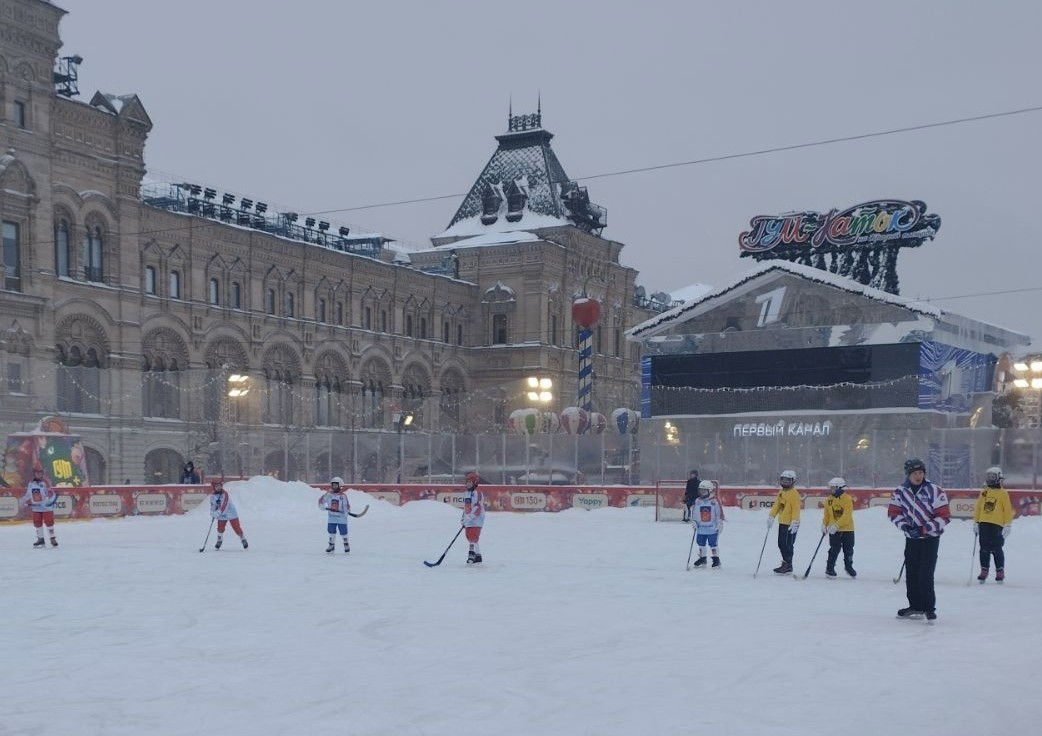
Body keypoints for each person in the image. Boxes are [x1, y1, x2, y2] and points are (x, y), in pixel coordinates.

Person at [889, 458, 950, 621]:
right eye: (915, 473)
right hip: (912, 539)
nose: (918, 476)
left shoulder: (935, 491)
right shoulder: (900, 491)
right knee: (912, 573)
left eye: (921, 473)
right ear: (908, 474)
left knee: (925, 574)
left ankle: (929, 608)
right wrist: (905, 527)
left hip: (930, 539)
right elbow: (894, 513)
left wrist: (924, 529)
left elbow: (944, 517)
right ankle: (915, 606)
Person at [973, 466, 1013, 583]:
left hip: (997, 525)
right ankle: (984, 570)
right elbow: (978, 507)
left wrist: (1008, 524)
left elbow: (1008, 510)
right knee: (984, 548)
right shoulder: (984, 492)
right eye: (989, 476)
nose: (990, 479)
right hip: (984, 523)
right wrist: (976, 522)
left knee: (996, 548)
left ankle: (1000, 571)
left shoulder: (1003, 493)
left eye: (993, 476)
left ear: (998, 478)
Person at [767, 469, 801, 574]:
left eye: (788, 481)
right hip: (782, 522)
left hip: (791, 524)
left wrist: (795, 521)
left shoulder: (794, 494)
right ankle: (786, 563)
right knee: (781, 544)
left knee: (788, 544)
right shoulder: (781, 493)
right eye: (783, 480)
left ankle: (788, 565)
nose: (785, 482)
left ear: (793, 481)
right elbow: (777, 505)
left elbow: (796, 508)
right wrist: (771, 516)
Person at [822, 477, 856, 578]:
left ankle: (848, 566)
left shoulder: (847, 499)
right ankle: (830, 568)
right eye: (830, 487)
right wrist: (824, 524)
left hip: (847, 529)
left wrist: (837, 525)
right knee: (834, 548)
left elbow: (847, 515)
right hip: (833, 530)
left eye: (833, 488)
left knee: (848, 549)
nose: (831, 489)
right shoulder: (829, 500)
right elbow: (827, 515)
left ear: (840, 488)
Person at [21, 467, 58, 548]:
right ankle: (40, 539)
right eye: (37, 473)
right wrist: (22, 500)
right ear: (34, 474)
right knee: (37, 522)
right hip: (36, 508)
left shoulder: (46, 482)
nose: (39, 474)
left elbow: (50, 492)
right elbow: (28, 494)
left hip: (46, 507)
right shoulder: (31, 483)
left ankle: (52, 538)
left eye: (40, 473)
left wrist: (47, 500)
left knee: (49, 522)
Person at [690, 480, 723, 568]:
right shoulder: (697, 501)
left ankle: (716, 559)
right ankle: (702, 558)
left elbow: (719, 514)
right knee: (701, 543)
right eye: (701, 490)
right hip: (701, 528)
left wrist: (719, 524)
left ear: (710, 491)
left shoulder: (714, 502)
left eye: (704, 491)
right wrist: (694, 522)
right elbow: (694, 513)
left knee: (713, 544)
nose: (702, 493)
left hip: (712, 528)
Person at [209, 479, 248, 550]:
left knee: (236, 527)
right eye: (216, 486)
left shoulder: (225, 494)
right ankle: (219, 540)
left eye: (220, 486)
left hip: (231, 512)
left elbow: (224, 505)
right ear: (214, 487)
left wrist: (217, 513)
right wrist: (212, 512)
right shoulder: (212, 495)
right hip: (221, 514)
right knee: (220, 528)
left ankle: (243, 538)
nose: (218, 487)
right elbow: (213, 505)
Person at [318, 476, 351, 553]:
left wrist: (346, 511)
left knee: (343, 531)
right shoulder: (329, 494)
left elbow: (346, 505)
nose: (334, 487)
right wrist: (322, 506)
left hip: (341, 518)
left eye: (336, 485)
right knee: (331, 531)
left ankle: (346, 544)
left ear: (340, 486)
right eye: (333, 485)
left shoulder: (343, 496)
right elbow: (321, 501)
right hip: (332, 517)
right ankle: (331, 545)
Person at [462, 471, 485, 564]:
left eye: (470, 482)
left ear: (475, 482)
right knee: (468, 535)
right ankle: (478, 556)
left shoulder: (477, 492)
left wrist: (471, 516)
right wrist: (463, 517)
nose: (468, 484)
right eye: (467, 482)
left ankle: (471, 555)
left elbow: (478, 507)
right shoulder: (467, 493)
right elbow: (466, 506)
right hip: (469, 517)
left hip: (477, 517)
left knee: (473, 535)